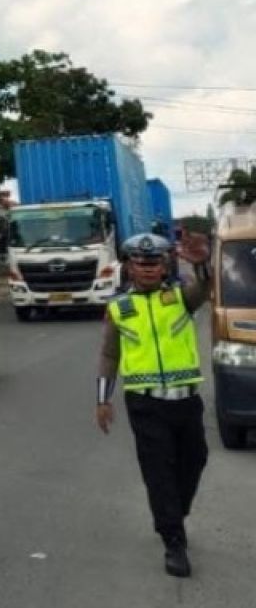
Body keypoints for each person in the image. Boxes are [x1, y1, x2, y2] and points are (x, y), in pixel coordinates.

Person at [95, 233, 212, 578]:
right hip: (145, 405)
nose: (148, 270)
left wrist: (202, 262)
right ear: (130, 267)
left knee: (195, 460)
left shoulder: (179, 297)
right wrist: (102, 399)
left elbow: (204, 287)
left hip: (186, 400)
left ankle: (176, 512)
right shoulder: (119, 308)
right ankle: (173, 542)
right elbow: (109, 354)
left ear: (164, 266)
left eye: (155, 264)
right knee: (158, 472)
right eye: (141, 264)